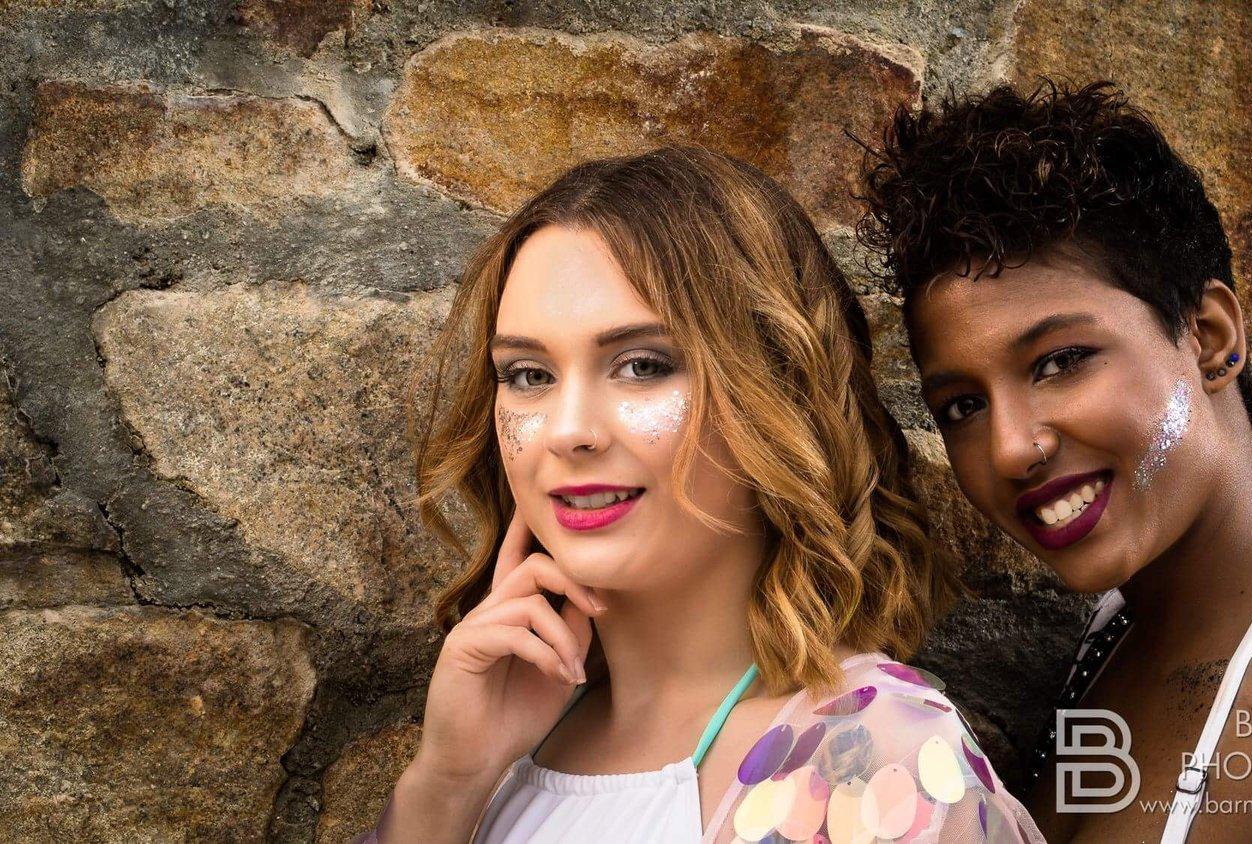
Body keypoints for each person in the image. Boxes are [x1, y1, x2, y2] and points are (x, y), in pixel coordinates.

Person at [855, 80, 1252, 841]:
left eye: (1059, 360)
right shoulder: (1116, 637)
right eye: (962, 405)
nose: (1008, 448)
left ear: (1211, 337)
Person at [362, 146, 1044, 843]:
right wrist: (447, 782)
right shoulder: (490, 755)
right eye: (530, 375)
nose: (567, 432)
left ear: (778, 392)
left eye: (641, 365)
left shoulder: (870, 760)